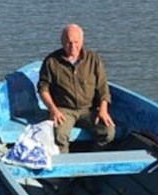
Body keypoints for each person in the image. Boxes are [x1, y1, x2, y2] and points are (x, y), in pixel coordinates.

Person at [37, 23, 115, 154]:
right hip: (64, 110)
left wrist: (103, 109)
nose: (73, 47)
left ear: (82, 41)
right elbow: (43, 88)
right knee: (59, 135)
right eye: (68, 43)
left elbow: (103, 87)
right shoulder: (51, 61)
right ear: (62, 42)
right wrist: (53, 110)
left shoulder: (94, 59)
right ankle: (65, 170)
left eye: (76, 42)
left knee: (108, 132)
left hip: (88, 110)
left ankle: (94, 160)